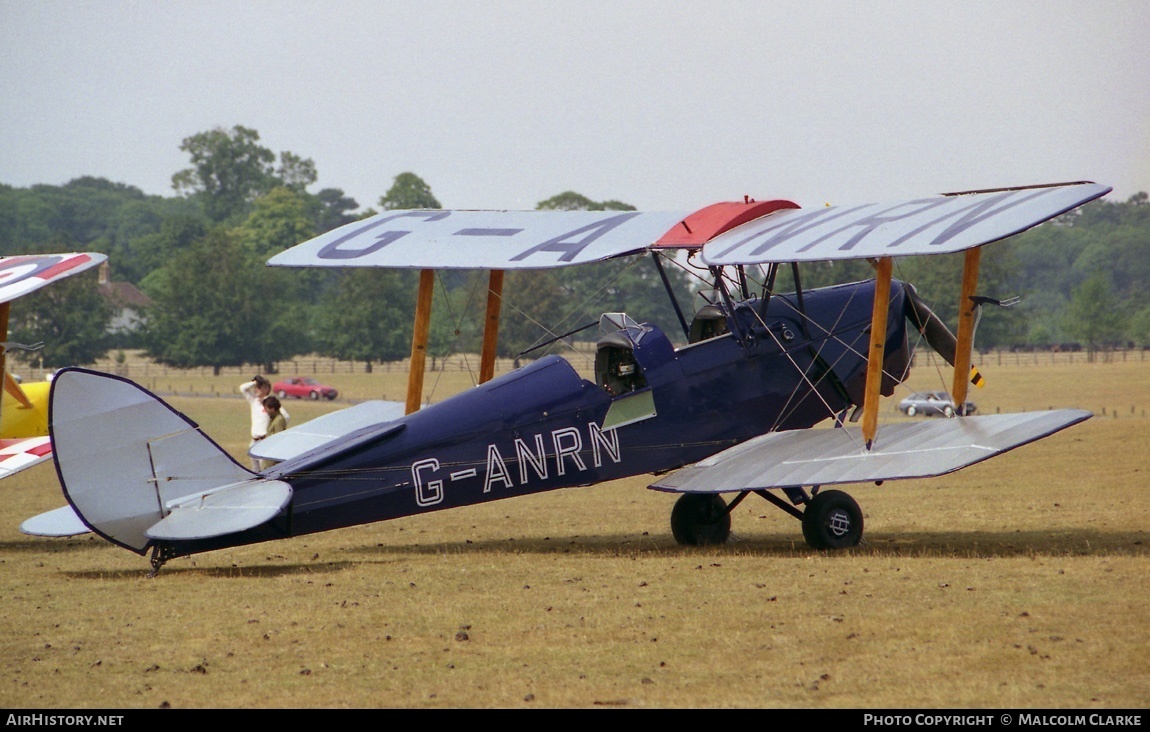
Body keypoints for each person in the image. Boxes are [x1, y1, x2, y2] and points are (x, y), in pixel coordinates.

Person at [239, 375, 289, 470]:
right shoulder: (254, 400)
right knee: (255, 470)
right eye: (255, 387)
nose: (256, 389)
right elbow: (243, 388)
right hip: (254, 440)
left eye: (259, 387)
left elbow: (285, 417)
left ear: (266, 388)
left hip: (264, 440)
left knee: (265, 469)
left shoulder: (270, 403)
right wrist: (254, 382)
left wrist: (273, 431)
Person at [259, 395, 288, 470]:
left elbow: (278, 440)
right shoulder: (273, 419)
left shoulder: (279, 420)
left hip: (272, 459)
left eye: (266, 408)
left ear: (272, 409)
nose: (265, 411)